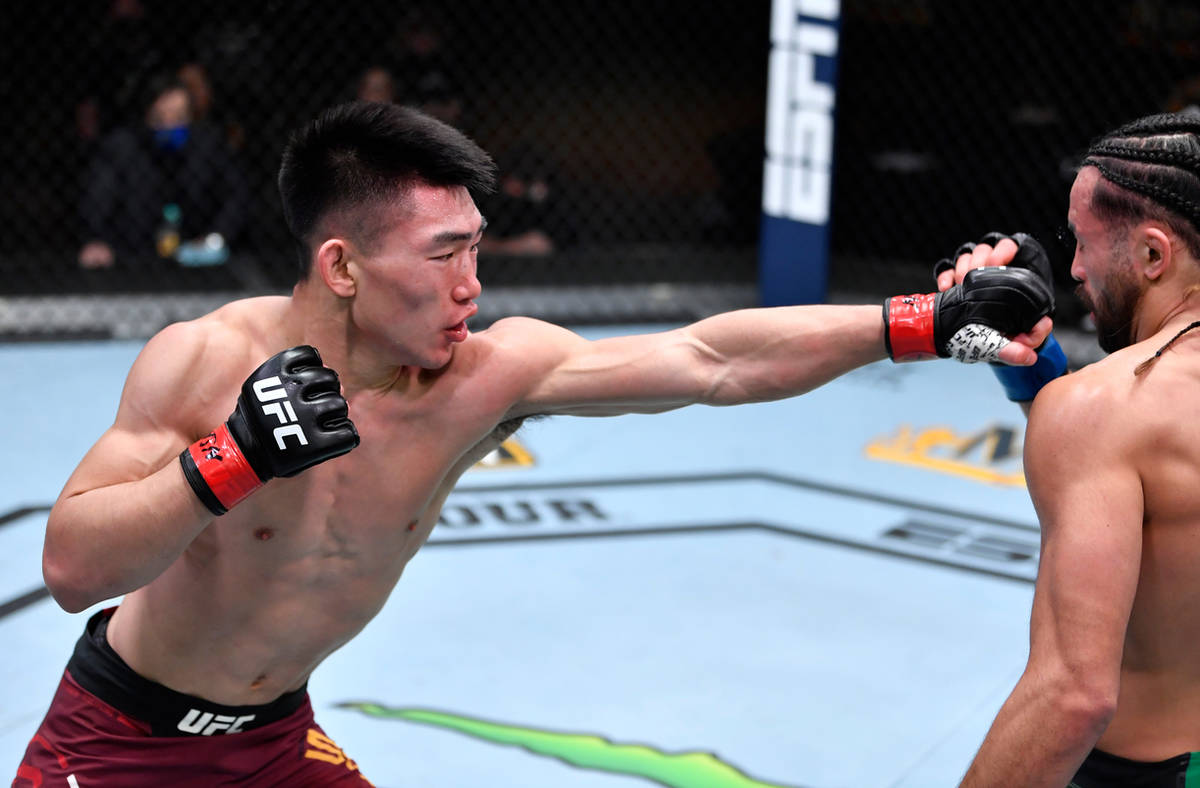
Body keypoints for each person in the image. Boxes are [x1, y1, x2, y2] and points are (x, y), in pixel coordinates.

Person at [13, 101, 1053, 787]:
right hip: (117, 745)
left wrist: (919, 320)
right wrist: (230, 458)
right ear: (341, 265)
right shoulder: (204, 363)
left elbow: (711, 359)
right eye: (445, 254)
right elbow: (71, 565)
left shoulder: (484, 374)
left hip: (277, 740)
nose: (475, 284)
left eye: (477, 248)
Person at [940, 112, 1200, 787]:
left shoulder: (1101, 412)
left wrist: (1061, 399)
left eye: (1083, 243)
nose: (1076, 269)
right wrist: (1035, 368)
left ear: (1152, 255)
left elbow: (1073, 695)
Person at [77, 72, 250, 270]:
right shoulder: (121, 148)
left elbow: (236, 196)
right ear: (146, 115)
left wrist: (215, 237)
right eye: (159, 118)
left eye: (178, 117)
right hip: (131, 258)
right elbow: (97, 199)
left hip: (195, 258)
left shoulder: (208, 146)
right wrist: (96, 240)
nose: (169, 126)